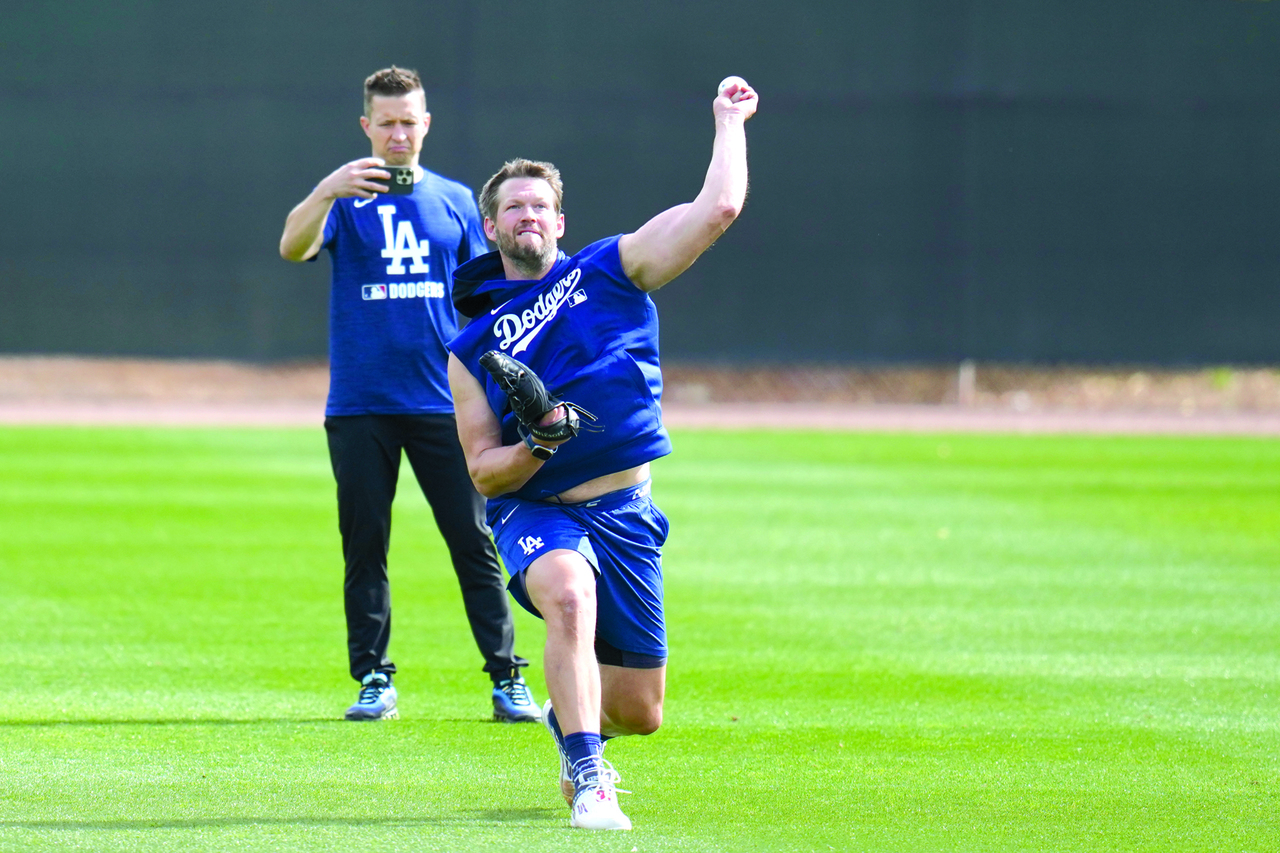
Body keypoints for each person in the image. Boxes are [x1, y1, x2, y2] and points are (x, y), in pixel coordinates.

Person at [446, 77, 758, 830]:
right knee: (568, 596)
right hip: (538, 508)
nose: (528, 214)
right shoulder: (471, 347)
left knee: (641, 712)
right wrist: (539, 441)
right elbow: (484, 471)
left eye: (540, 205)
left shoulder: (611, 267)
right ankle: (590, 778)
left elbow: (717, 209)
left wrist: (729, 121)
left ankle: (573, 721)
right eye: (513, 207)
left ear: (560, 221)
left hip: (626, 510)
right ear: (491, 227)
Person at [278, 66, 539, 724]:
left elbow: (488, 293)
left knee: (473, 541)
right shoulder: (344, 200)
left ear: (426, 124)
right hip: (361, 403)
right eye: (386, 122)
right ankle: (373, 677)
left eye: (408, 121)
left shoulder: (453, 200)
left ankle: (507, 677)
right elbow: (291, 246)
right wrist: (327, 189)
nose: (398, 134)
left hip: (445, 403)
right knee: (365, 544)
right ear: (366, 126)